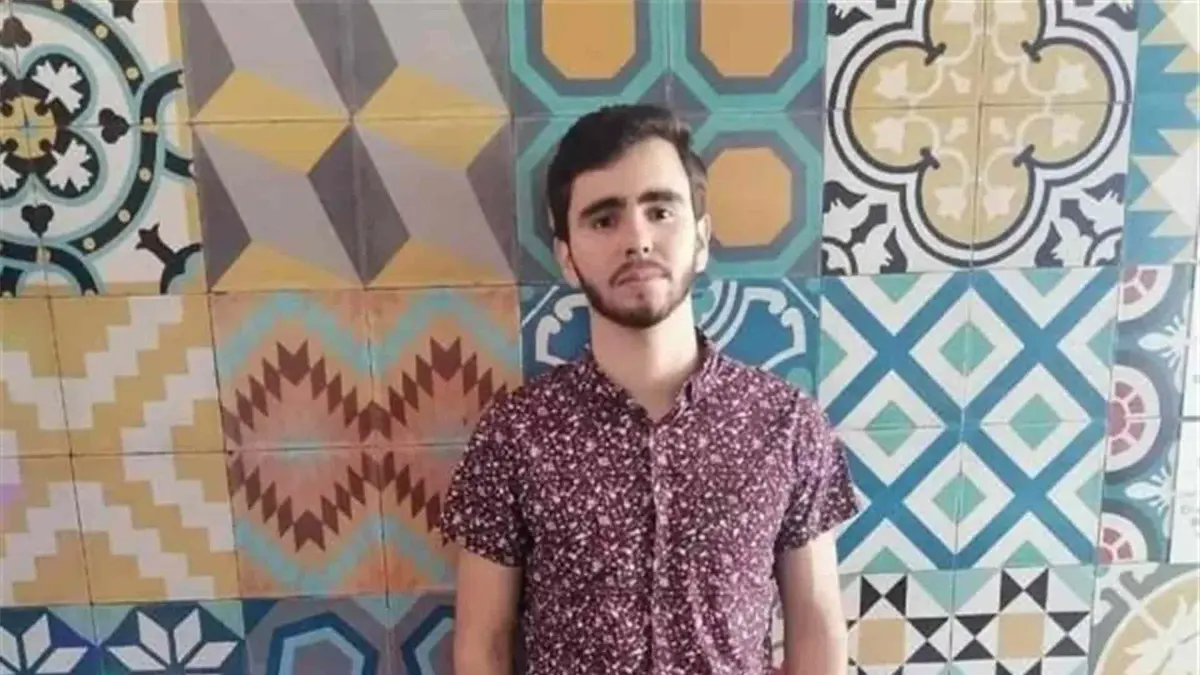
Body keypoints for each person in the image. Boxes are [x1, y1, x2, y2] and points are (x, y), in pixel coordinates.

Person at [439, 103, 860, 674]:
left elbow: (816, 627)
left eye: (660, 211)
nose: (637, 239)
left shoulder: (786, 425)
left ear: (701, 238)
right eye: (603, 220)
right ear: (567, 257)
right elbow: (482, 643)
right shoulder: (515, 435)